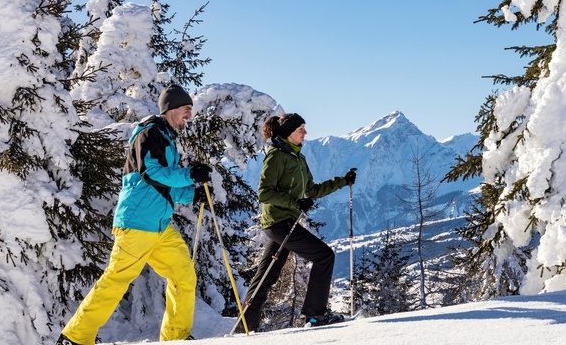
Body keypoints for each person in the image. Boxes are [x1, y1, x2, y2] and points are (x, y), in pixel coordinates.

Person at [57, 85, 213, 345]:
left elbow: (161, 189)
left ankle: (176, 336)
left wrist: (191, 194)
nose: (189, 115)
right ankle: (75, 337)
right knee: (117, 279)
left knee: (183, 275)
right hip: (138, 224)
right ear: (171, 109)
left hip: (159, 226)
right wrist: (188, 175)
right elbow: (150, 173)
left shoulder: (166, 138)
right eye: (186, 109)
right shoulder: (150, 133)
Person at [234, 112, 356, 332]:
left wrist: (342, 181)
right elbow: (264, 193)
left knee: (268, 273)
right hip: (278, 223)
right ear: (289, 132)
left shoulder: (298, 157)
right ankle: (315, 314)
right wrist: (295, 203)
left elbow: (311, 190)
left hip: (284, 223)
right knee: (324, 255)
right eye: (301, 128)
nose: (305, 132)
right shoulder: (277, 156)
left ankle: (245, 325)